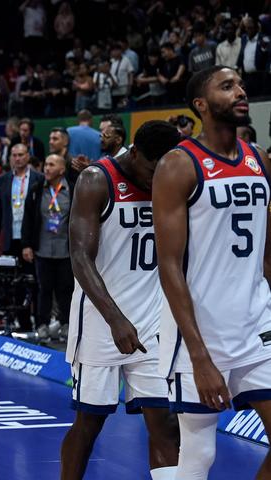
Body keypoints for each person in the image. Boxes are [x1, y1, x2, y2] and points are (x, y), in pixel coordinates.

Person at [154, 66, 271, 479]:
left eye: (239, 84)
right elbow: (168, 265)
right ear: (201, 105)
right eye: (227, 86)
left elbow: (267, 249)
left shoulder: (259, 158)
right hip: (201, 332)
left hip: (257, 324)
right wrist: (200, 356)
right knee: (200, 454)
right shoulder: (178, 164)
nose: (240, 91)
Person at [61, 120, 182, 480]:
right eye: (151, 169)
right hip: (100, 322)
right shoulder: (98, 180)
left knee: (164, 422)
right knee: (89, 423)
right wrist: (115, 319)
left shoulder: (168, 182)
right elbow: (79, 256)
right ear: (135, 153)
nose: (156, 179)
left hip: (151, 322)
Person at [21, 153, 73, 343]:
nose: (47, 168)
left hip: (65, 250)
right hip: (42, 249)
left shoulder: (72, 190)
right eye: (46, 165)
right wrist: (27, 244)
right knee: (43, 289)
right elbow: (28, 220)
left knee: (65, 289)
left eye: (52, 165)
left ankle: (66, 324)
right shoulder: (36, 190)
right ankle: (41, 325)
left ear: (62, 169)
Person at [68, 110, 99, 175]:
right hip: (94, 173)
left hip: (71, 173)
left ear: (78, 119)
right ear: (91, 120)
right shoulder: (99, 135)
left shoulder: (67, 132)